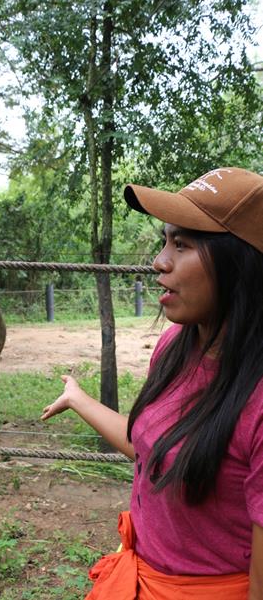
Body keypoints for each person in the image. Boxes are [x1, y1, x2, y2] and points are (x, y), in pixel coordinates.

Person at [41, 167, 263, 600]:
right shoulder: (175, 346)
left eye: (181, 244)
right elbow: (155, 447)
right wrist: (79, 399)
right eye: (164, 241)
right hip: (139, 578)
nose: (159, 261)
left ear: (241, 263)